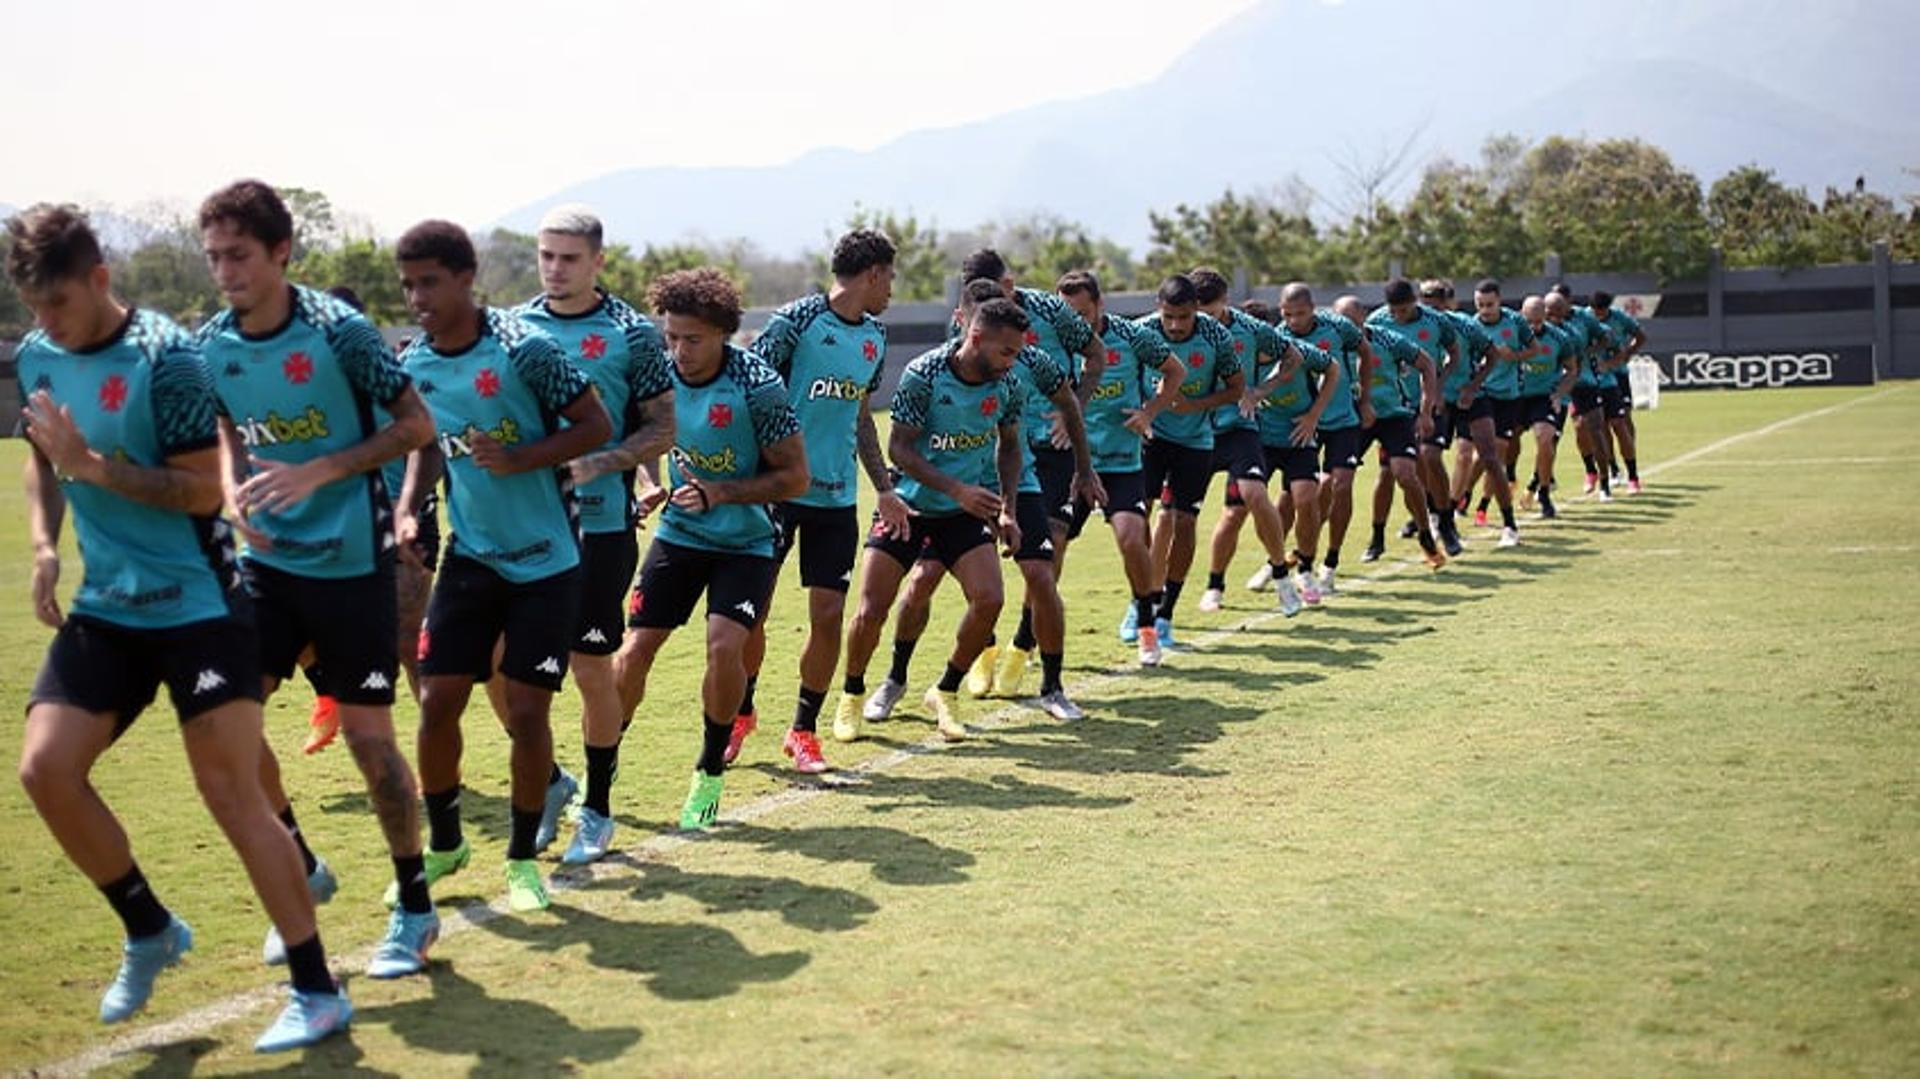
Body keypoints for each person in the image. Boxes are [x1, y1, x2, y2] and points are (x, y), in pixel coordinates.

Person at [9, 204, 348, 1051]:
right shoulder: (41, 355)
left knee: (231, 794)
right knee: (46, 769)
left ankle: (316, 987)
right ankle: (150, 926)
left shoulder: (170, 360)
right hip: (109, 610)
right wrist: (47, 543)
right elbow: (41, 454)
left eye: (56, 302)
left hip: (201, 605)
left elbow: (203, 491)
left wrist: (94, 468)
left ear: (99, 280)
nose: (43, 322)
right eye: (31, 306)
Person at [196, 180, 442, 977]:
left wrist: (324, 469)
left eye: (240, 254)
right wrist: (235, 487)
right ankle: (299, 862)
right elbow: (227, 424)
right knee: (225, 730)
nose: (226, 271)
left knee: (372, 746)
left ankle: (413, 904)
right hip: (265, 566)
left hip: (351, 563)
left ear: (280, 252)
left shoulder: (341, 334)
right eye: (214, 257)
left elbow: (416, 425)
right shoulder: (212, 344)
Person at [397, 220, 612, 912]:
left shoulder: (527, 348)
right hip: (472, 554)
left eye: (429, 280)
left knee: (525, 712)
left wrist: (520, 457)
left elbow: (597, 425)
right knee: (437, 703)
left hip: (547, 561)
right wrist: (410, 504)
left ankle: (522, 858)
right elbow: (424, 440)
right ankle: (446, 842)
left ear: (465, 278)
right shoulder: (415, 361)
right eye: (408, 284)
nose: (417, 295)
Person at [610, 268, 809, 830]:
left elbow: (795, 477)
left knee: (725, 649)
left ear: (722, 332)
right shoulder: (655, 377)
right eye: (670, 337)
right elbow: (642, 440)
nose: (678, 350)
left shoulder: (758, 386)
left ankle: (708, 772)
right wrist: (649, 486)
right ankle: (603, 768)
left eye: (691, 339)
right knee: (634, 650)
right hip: (680, 533)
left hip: (745, 541)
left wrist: (721, 491)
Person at [514, 205, 675, 864]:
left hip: (600, 528)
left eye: (569, 257)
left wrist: (604, 462)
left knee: (588, 670)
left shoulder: (632, 334)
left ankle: (599, 809)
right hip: (520, 526)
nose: (555, 268)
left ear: (598, 260)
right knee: (501, 666)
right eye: (546, 255)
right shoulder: (513, 327)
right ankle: (552, 782)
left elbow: (662, 427)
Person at [876, 278, 1100, 721]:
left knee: (1040, 573)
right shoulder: (939, 366)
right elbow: (902, 442)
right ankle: (895, 678)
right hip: (954, 486)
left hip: (1014, 481)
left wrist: (1083, 469)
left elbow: (1064, 406)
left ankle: (1052, 686)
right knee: (921, 584)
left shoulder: (1027, 362)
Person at [735, 228, 905, 769]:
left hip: (835, 499)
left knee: (828, 615)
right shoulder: (796, 322)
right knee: (751, 613)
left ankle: (803, 730)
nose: (892, 291)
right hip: (778, 493)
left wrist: (883, 488)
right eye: (891, 278)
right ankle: (740, 712)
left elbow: (859, 418)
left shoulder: (875, 338)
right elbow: (747, 390)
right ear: (873, 273)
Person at [831, 295, 1026, 742]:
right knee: (870, 610)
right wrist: (957, 489)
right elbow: (900, 448)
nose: (1012, 362)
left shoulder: (1008, 385)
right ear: (975, 337)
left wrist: (1008, 509)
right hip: (909, 507)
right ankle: (853, 696)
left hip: (963, 514)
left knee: (990, 599)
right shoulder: (924, 374)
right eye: (1006, 352)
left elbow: (1010, 445)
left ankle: (946, 691)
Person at [1057, 269, 1185, 665]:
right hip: (1071, 463)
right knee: (1051, 546)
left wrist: (1150, 411)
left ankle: (1147, 626)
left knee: (1132, 538)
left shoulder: (1131, 337)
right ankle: (1029, 635)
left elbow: (1174, 371)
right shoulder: (1054, 343)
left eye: (1082, 311)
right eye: (1068, 314)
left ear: (1099, 304)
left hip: (1121, 462)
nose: (1075, 322)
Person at [1127, 274, 1244, 645]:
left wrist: (1195, 405)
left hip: (1195, 440)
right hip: (1150, 437)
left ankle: (1166, 614)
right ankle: (1140, 599)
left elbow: (1237, 388)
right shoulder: (1140, 331)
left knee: (1184, 522)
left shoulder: (1216, 337)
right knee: (1135, 517)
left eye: (1183, 317)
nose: (1175, 326)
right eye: (1168, 317)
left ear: (1195, 309)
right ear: (1158, 308)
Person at [1189, 269, 1300, 613]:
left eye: (1210, 312)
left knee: (1254, 493)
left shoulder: (1250, 329)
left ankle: (1281, 575)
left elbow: (1292, 357)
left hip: (1239, 429)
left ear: (1225, 302)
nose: (1203, 320)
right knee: (1181, 516)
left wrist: (1260, 390)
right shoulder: (1176, 328)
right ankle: (1210, 587)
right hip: (1195, 432)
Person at [1252, 283, 1343, 613]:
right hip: (1262, 438)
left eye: (1300, 314)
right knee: (1255, 502)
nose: (1293, 321)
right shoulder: (1261, 342)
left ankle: (1305, 568)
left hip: (1298, 437)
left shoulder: (1295, 348)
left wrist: (1313, 416)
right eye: (1287, 314)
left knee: (1307, 498)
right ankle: (1273, 563)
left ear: (1312, 309)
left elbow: (1332, 371)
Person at [1339, 292, 1446, 570]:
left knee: (1405, 475)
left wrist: (1425, 411)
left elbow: (1427, 364)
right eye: (1342, 321)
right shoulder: (1333, 346)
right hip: (1355, 419)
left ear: (1363, 315)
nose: (1347, 327)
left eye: (1351, 320)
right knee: (1336, 482)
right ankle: (1372, 541)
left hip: (1394, 417)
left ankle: (1426, 535)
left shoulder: (1387, 339)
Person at [1515, 294, 1581, 518]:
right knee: (1503, 444)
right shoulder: (1512, 333)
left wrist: (1559, 394)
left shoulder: (1559, 338)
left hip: (1543, 397)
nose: (1533, 326)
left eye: (1538, 321)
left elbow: (1572, 370)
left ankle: (1543, 492)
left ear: (1545, 317)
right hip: (1514, 396)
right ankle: (1509, 477)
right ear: (1521, 316)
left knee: (1545, 438)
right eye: (1529, 321)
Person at [1586, 289, 1646, 493]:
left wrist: (1624, 357)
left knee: (1622, 422)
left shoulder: (1620, 319)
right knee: (1600, 426)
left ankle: (1632, 471)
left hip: (1617, 377)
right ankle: (1612, 469)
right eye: (1596, 312)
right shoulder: (1584, 319)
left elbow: (1640, 337)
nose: (1598, 316)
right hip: (1592, 381)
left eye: (1602, 312)